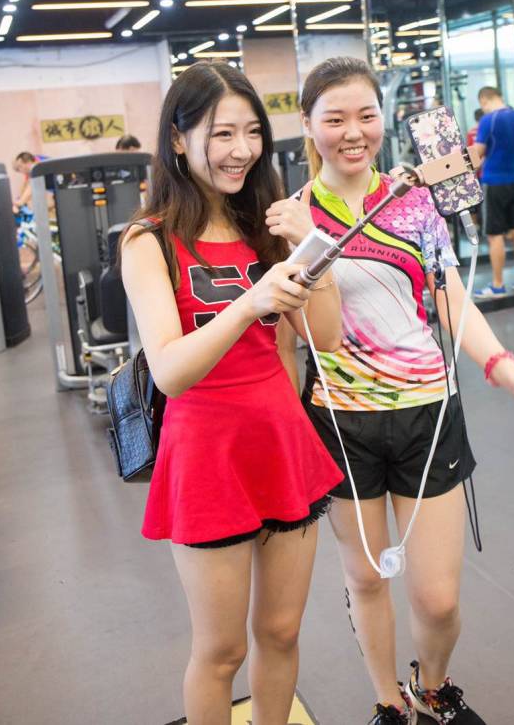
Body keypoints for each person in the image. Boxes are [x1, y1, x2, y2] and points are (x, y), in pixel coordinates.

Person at [266, 57, 514, 725]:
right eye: (335, 118)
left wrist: (508, 371)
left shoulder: (413, 199)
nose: (353, 132)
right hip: (340, 422)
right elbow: (293, 334)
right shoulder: (291, 217)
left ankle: (434, 683)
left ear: (383, 118)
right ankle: (387, 699)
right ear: (307, 124)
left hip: (428, 413)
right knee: (366, 577)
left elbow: (449, 295)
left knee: (438, 599)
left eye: (366, 115)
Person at [120, 62, 344, 725]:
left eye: (252, 132)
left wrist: (313, 247)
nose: (241, 149)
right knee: (221, 652)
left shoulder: (268, 227)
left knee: (281, 632)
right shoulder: (149, 239)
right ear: (178, 138)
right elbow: (169, 371)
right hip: (206, 456)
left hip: (282, 443)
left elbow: (326, 336)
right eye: (222, 133)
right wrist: (249, 303)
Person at [471, 87, 514, 299]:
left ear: (484, 101)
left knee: (495, 235)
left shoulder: (488, 119)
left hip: (494, 182)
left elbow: (477, 153)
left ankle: (498, 285)